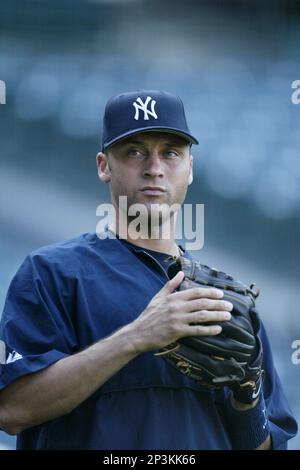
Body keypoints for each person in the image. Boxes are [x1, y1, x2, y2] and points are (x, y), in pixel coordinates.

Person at [0, 90, 297, 450]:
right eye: (134, 151)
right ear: (103, 165)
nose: (153, 167)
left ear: (190, 168)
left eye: (170, 152)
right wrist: (137, 336)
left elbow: (265, 445)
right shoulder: (51, 274)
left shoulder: (225, 301)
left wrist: (247, 391)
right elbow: (12, 410)